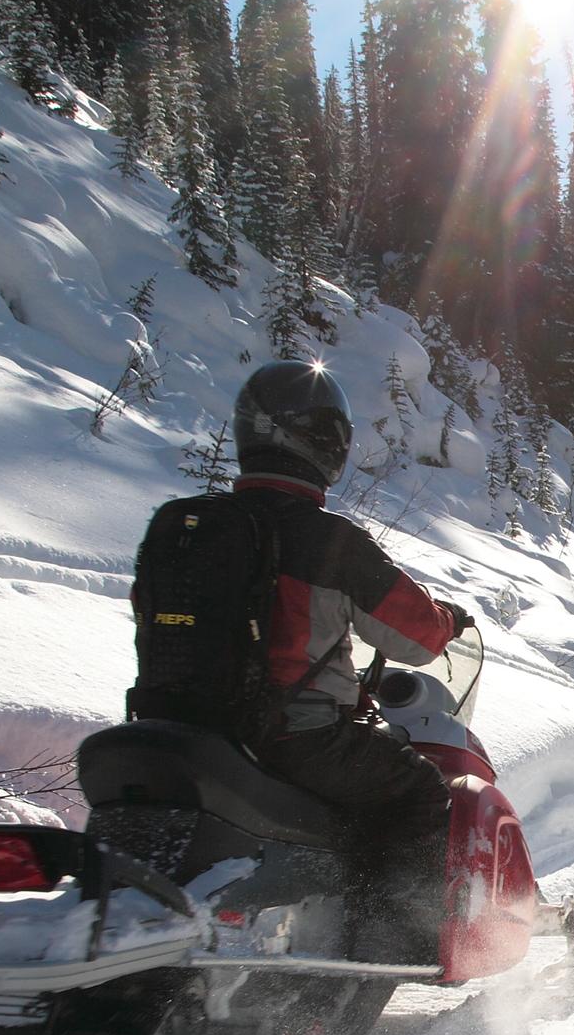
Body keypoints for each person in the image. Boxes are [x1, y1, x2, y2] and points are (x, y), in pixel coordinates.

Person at [133, 360, 471, 964]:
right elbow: (417, 638)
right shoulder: (327, 541)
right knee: (420, 791)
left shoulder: (179, 526)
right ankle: (390, 949)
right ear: (328, 444)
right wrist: (450, 616)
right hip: (292, 741)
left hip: (173, 733)